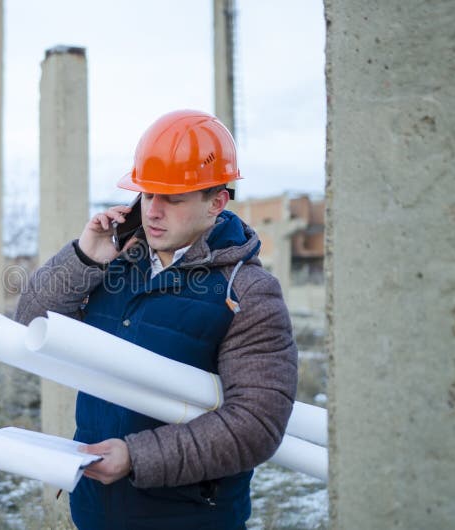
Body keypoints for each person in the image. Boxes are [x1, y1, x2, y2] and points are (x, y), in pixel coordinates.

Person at [15, 110, 297, 530]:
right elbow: (30, 324)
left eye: (174, 198)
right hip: (96, 512)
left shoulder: (249, 293)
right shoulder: (111, 264)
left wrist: (136, 457)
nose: (153, 212)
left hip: (188, 518)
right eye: (147, 195)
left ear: (216, 202)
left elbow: (255, 425)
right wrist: (83, 257)